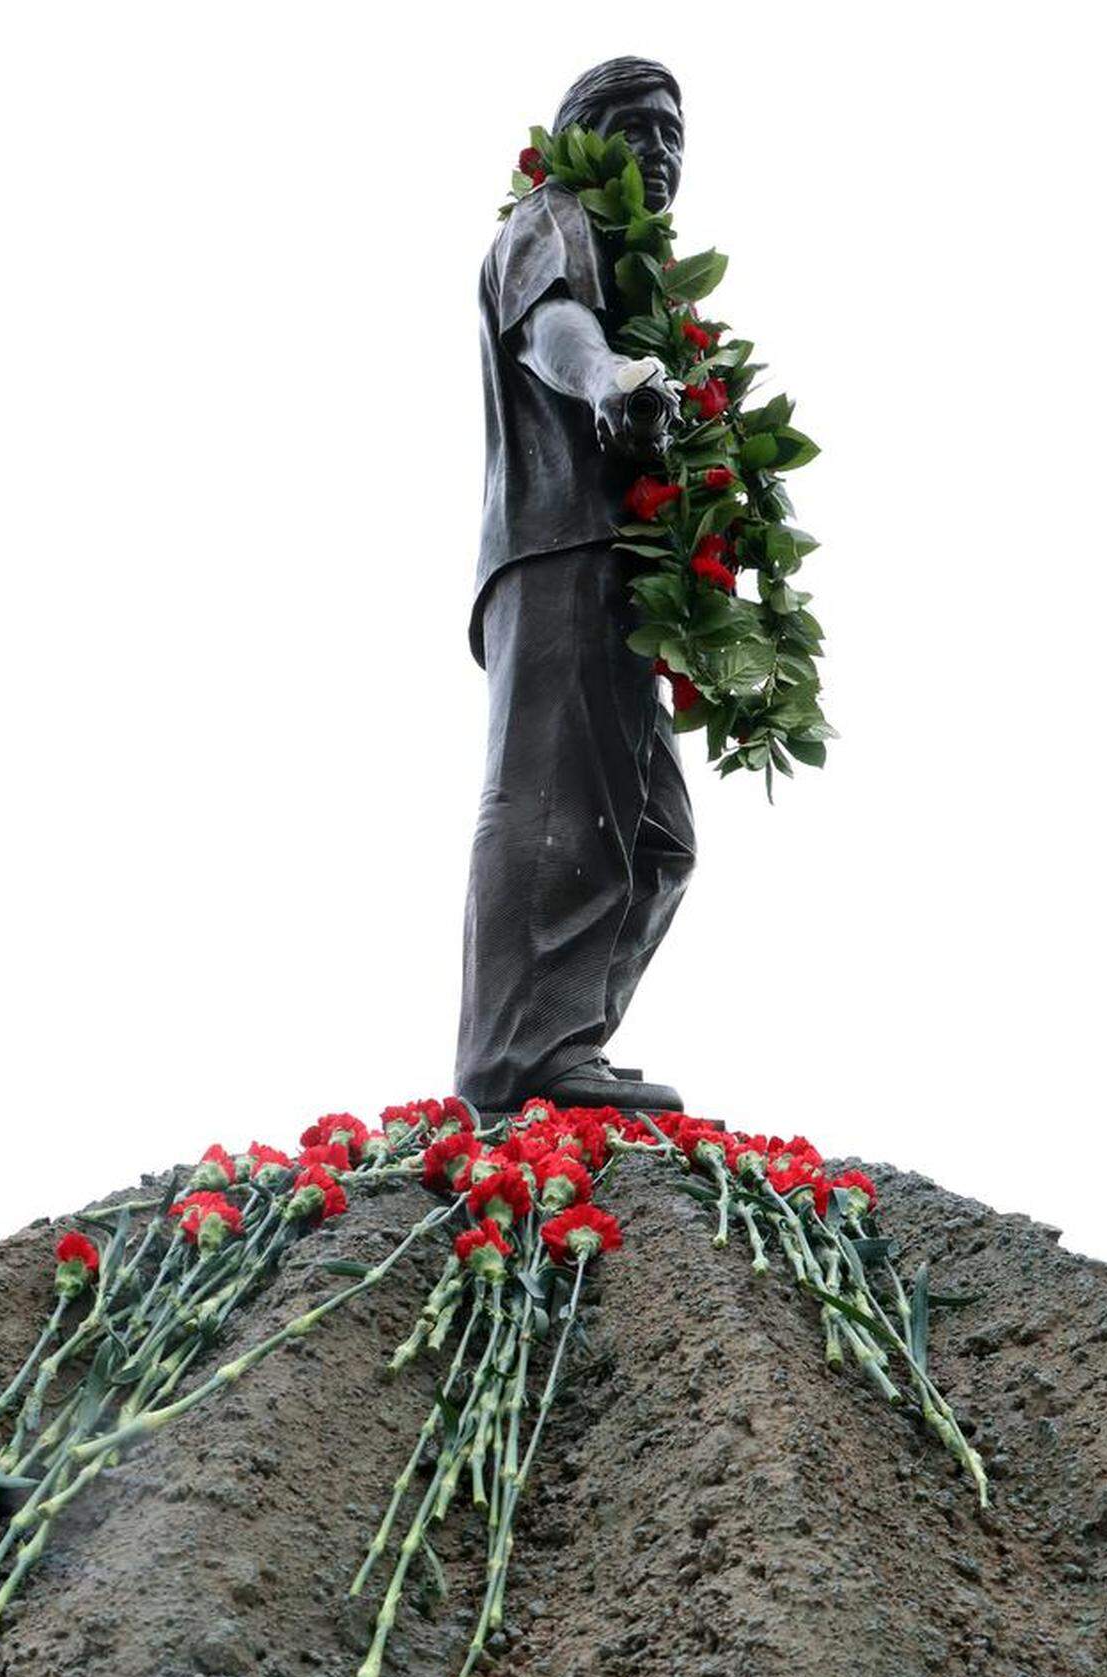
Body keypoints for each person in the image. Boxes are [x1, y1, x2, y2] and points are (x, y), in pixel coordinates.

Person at [453, 57, 695, 1116]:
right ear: (586, 136)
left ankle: (561, 1038)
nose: (661, 150)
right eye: (638, 126)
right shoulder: (552, 214)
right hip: (557, 545)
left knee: (658, 837)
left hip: (616, 565)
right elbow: (555, 326)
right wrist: (614, 381)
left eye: (675, 134)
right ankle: (513, 1059)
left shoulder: (643, 281)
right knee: (547, 796)